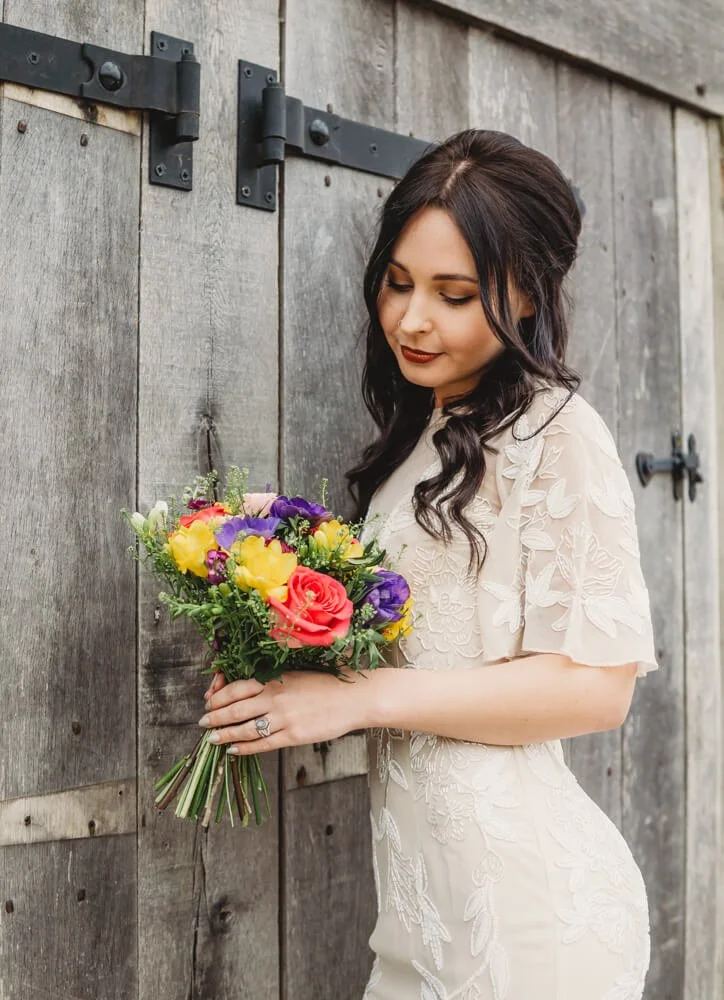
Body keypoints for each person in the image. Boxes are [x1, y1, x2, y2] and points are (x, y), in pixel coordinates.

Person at [198, 129, 658, 1000]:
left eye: (453, 295)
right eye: (399, 283)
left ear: (526, 295)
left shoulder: (557, 434)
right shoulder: (425, 441)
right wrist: (275, 623)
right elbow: (428, 648)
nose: (412, 319)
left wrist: (358, 699)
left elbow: (600, 688)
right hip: (419, 914)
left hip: (528, 920)